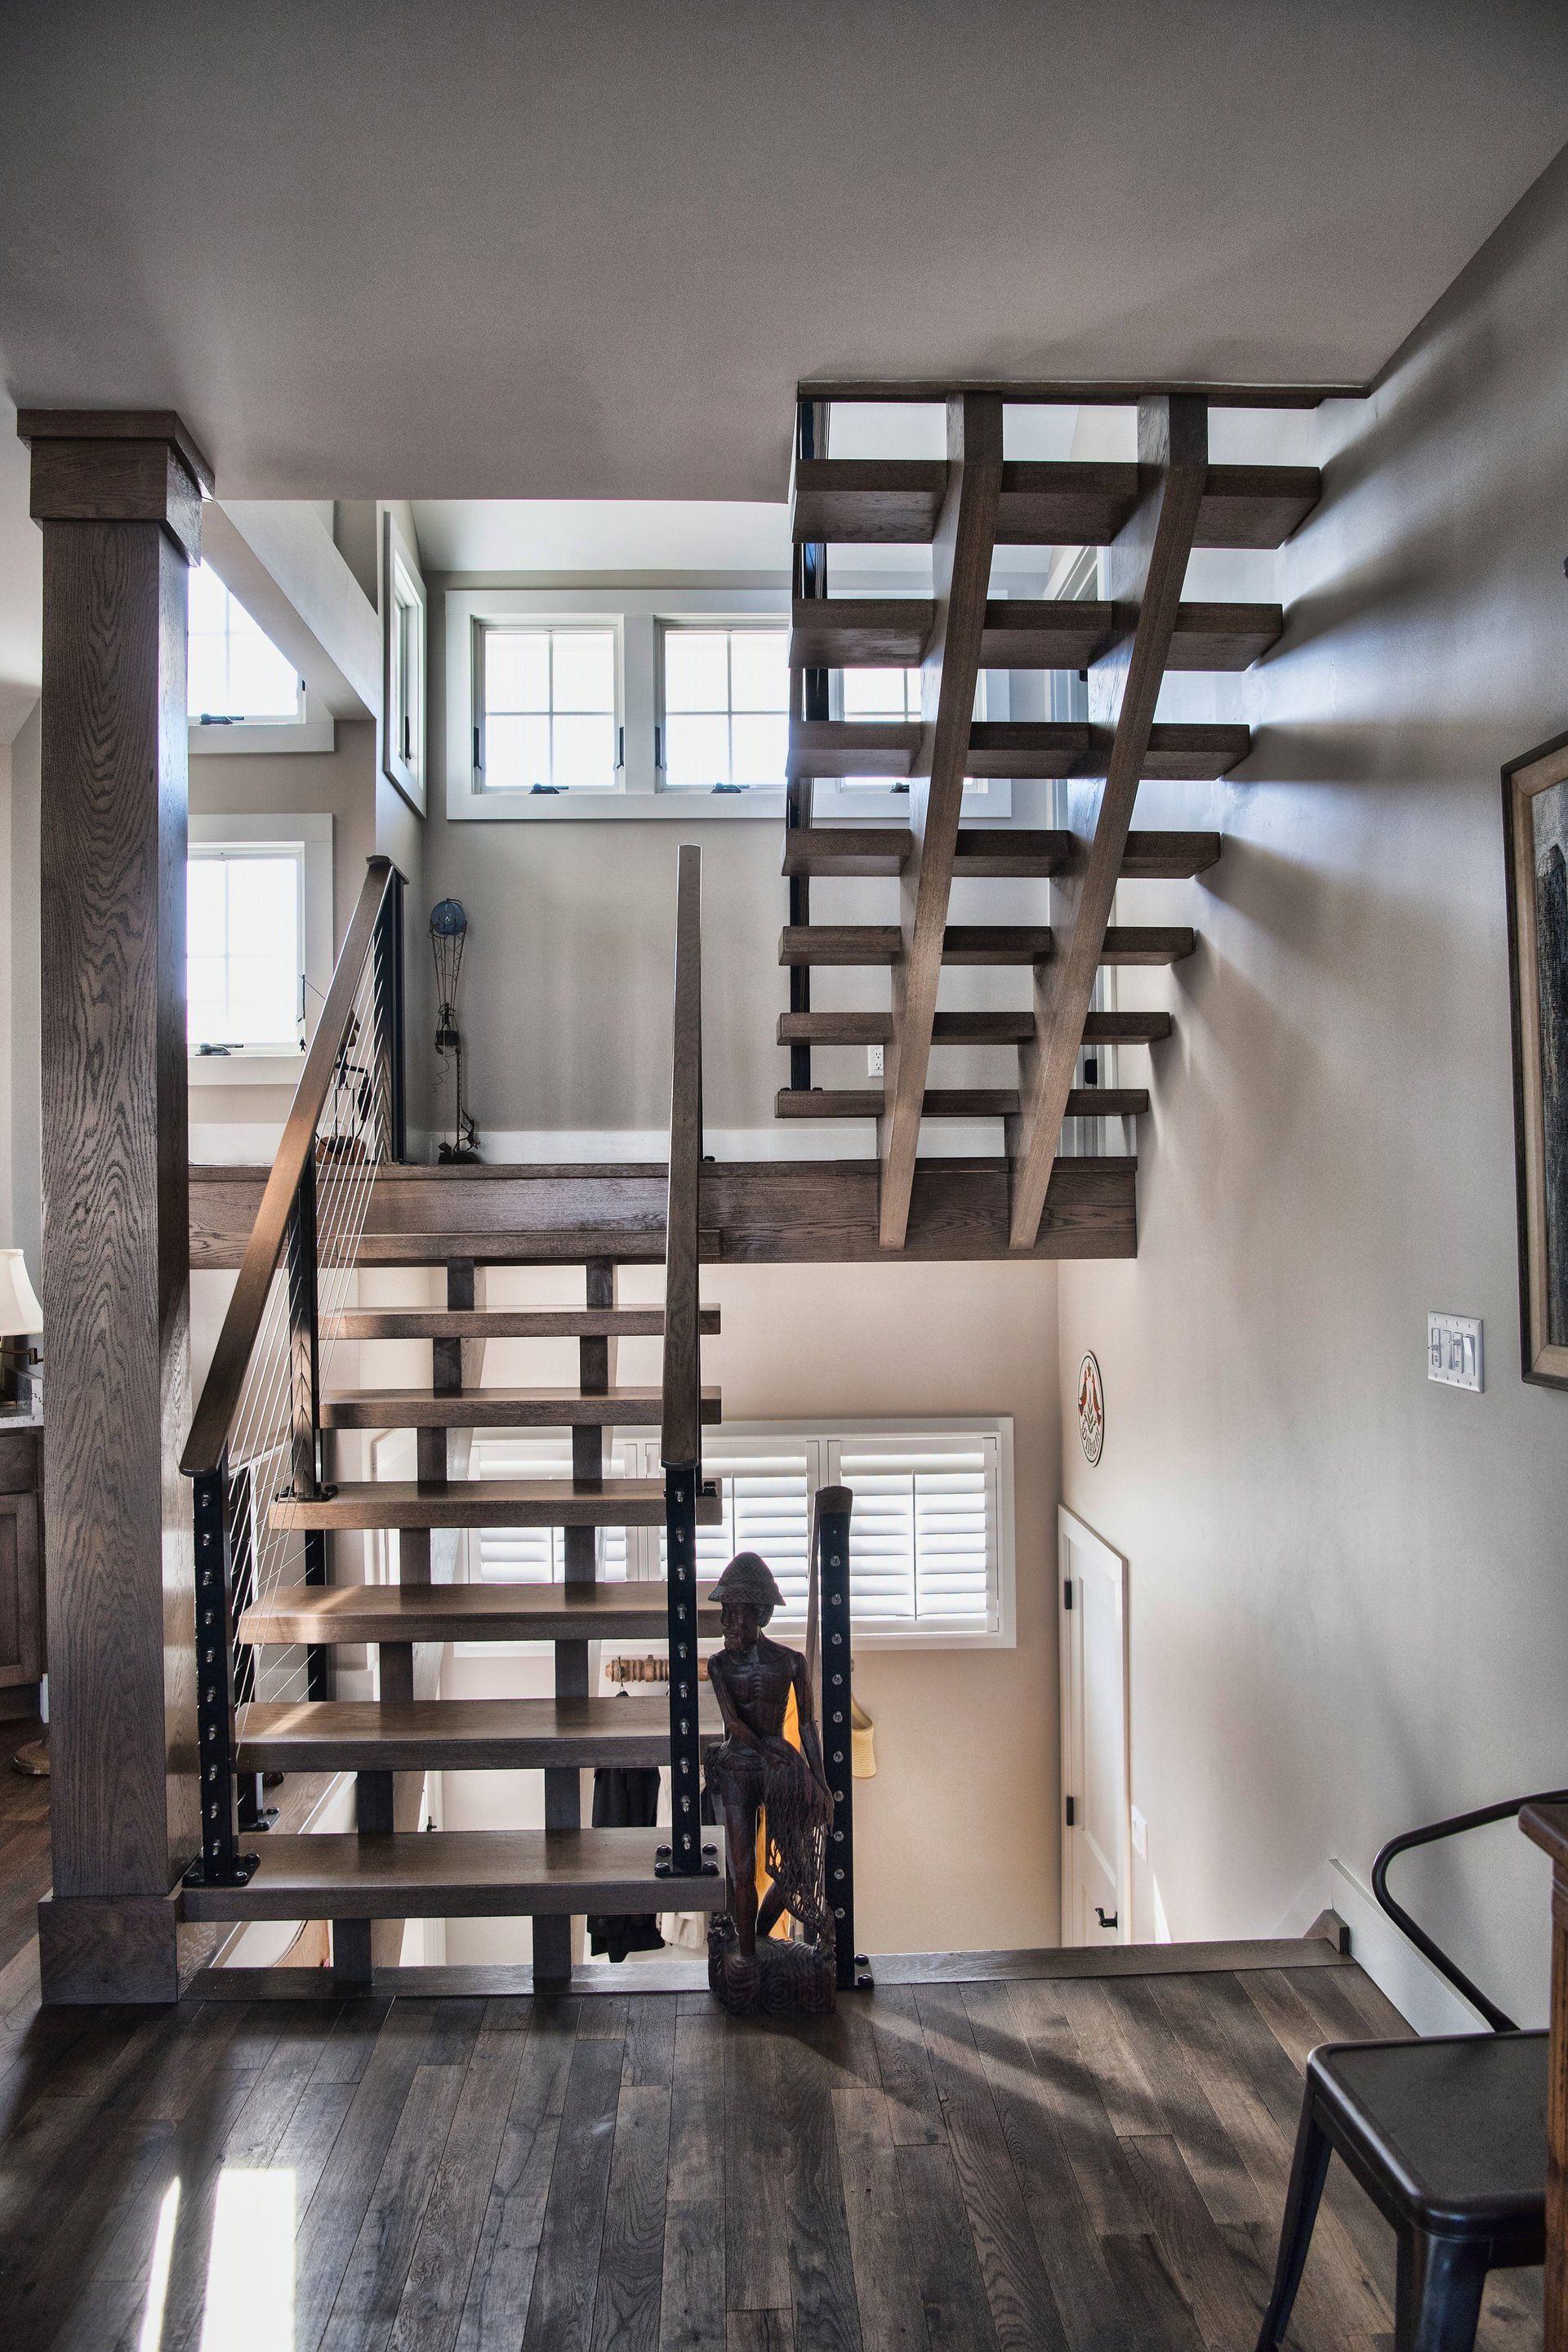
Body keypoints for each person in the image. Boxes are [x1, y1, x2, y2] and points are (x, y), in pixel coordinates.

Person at [703, 1551, 834, 1966]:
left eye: (735, 1614)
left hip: (779, 1769)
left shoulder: (791, 1662)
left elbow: (810, 1727)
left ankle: (758, 1938)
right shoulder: (719, 1665)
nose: (727, 1625)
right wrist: (768, 1751)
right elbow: (733, 1723)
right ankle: (746, 1957)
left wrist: (821, 1781)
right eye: (724, 1614)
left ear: (759, 1614)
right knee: (743, 1871)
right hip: (741, 1767)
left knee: (797, 1869)